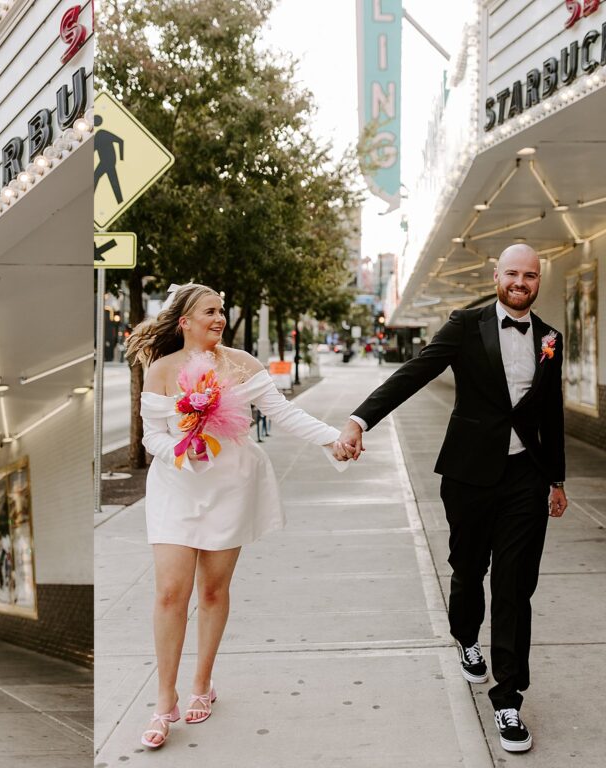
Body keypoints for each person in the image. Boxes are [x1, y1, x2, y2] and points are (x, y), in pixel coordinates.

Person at [338, 244, 566, 753]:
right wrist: (359, 419)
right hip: (468, 476)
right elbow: (415, 373)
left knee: (514, 587)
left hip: (526, 479)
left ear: (538, 281)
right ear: (497, 275)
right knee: (468, 571)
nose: (521, 282)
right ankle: (467, 639)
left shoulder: (550, 336)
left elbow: (551, 413)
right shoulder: (466, 324)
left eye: (530, 275)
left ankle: (508, 699)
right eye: (512, 273)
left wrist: (557, 479)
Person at [125, 283, 350, 749]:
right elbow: (151, 437)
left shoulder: (242, 363)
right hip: (177, 486)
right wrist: (183, 452)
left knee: (212, 590)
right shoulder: (161, 370)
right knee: (170, 593)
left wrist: (332, 438)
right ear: (183, 321)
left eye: (221, 310)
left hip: (229, 486)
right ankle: (164, 702)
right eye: (209, 311)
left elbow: (282, 413)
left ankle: (201, 684)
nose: (219, 317)